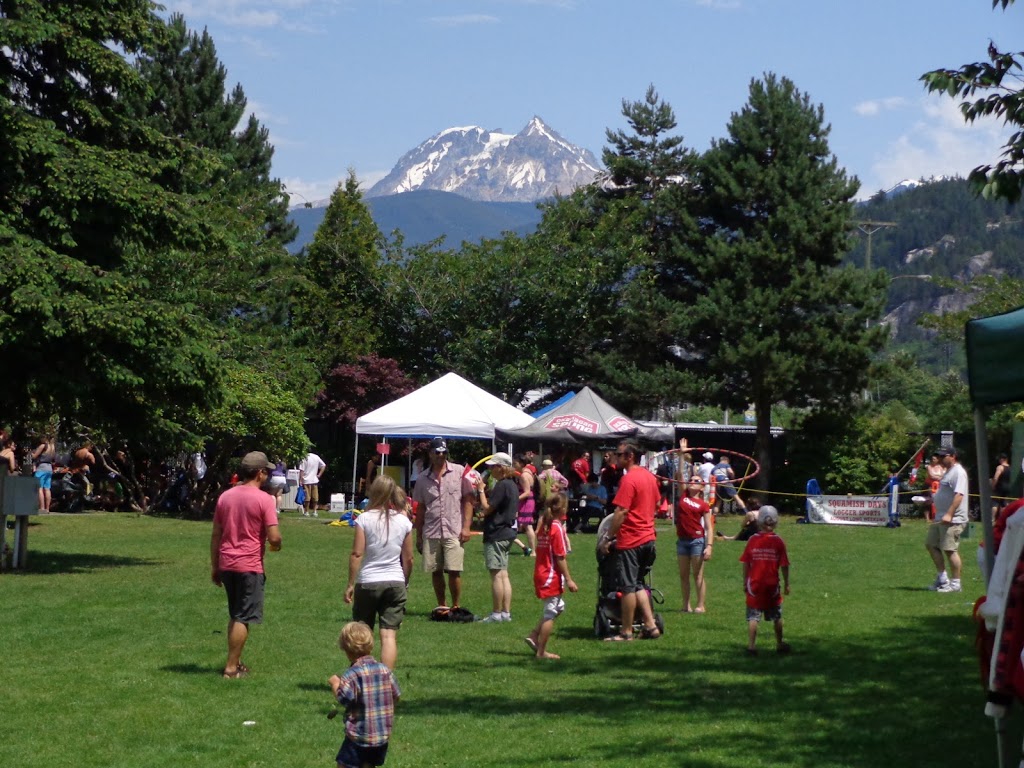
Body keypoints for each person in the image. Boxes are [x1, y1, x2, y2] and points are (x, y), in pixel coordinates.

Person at [210, 451, 282, 678]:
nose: (268, 475)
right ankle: (231, 668)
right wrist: (277, 544)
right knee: (243, 616)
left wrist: (215, 566)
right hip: (248, 565)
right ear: (260, 473)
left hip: (226, 562)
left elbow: (216, 534)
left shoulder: (226, 497)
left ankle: (236, 660)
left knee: (235, 614)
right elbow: (274, 537)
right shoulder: (263, 499)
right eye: (267, 471)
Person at [344, 475, 413, 670]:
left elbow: (357, 554)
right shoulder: (403, 521)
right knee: (389, 635)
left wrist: (350, 584)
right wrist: (405, 581)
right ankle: (386, 678)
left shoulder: (364, 519)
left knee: (362, 632)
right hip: (395, 581)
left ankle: (361, 675)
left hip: (368, 581)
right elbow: (408, 559)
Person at [601, 440, 661, 642]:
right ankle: (651, 626)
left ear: (630, 456)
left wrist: (608, 538)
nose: (615, 458)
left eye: (619, 454)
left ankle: (626, 632)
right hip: (648, 538)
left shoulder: (629, 479)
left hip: (632, 540)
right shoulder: (649, 477)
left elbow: (621, 511)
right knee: (638, 584)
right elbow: (658, 503)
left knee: (626, 587)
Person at [412, 437, 475, 610]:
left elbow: (468, 500)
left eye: (444, 452)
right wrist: (418, 535)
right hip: (431, 530)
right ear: (430, 454)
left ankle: (456, 606)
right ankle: (442, 605)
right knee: (436, 570)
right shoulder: (422, 478)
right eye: (437, 452)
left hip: (453, 529)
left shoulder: (459, 472)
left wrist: (466, 527)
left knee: (454, 570)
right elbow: (421, 508)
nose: (441, 455)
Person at [329, 621, 400, 768]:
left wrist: (336, 684)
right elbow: (396, 695)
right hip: (381, 737)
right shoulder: (385, 670)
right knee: (368, 765)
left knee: (344, 765)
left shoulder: (351, 675)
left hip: (359, 737)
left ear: (345, 649)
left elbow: (344, 699)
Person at [525, 494, 578, 659]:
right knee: (550, 612)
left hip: (541, 572)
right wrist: (569, 579)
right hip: (550, 575)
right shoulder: (556, 528)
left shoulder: (544, 525)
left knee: (558, 607)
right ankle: (541, 652)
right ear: (562, 509)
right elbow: (560, 556)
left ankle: (534, 635)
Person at [739, 505, 791, 656]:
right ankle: (780, 643)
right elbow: (784, 565)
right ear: (775, 522)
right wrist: (787, 583)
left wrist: (745, 582)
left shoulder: (752, 540)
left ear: (758, 522)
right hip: (772, 585)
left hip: (754, 584)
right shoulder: (778, 541)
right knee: (777, 616)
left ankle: (751, 646)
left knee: (753, 617)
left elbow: (746, 563)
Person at [475, 452, 519, 623]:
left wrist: (480, 491)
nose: (491, 470)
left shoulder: (502, 486)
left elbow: (487, 508)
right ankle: (505, 613)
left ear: (501, 468)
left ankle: (496, 613)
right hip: (508, 532)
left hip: (497, 533)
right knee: (503, 574)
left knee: (496, 575)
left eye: (493, 466)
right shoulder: (513, 485)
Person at [926, 445, 969, 593]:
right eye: (939, 456)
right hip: (940, 517)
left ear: (952, 456)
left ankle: (956, 584)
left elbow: (959, 495)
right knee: (931, 544)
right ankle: (942, 579)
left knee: (950, 549)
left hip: (953, 519)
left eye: (944, 456)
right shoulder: (948, 472)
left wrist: (949, 513)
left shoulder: (959, 472)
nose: (940, 459)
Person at [676, 477, 713, 614]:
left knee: (698, 575)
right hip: (682, 540)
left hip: (697, 541)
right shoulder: (684, 495)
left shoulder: (703, 505)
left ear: (702, 487)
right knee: (683, 575)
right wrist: (680, 456)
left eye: (697, 481)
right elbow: (679, 473)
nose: (692, 481)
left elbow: (709, 527)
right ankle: (686, 605)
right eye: (691, 479)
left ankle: (700, 605)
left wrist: (709, 546)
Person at [513, 454, 538, 555]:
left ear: (521, 464)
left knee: (528, 526)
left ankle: (533, 551)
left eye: (515, 463)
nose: (514, 465)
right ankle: (533, 550)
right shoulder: (528, 472)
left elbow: (527, 492)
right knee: (527, 525)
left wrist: (515, 499)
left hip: (526, 501)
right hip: (528, 501)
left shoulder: (523, 475)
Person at [32, 435, 56, 513]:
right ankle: (47, 508)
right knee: (47, 488)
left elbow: (34, 456)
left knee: (39, 488)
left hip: (41, 467)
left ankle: (42, 508)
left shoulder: (43, 446)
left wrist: (30, 453)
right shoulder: (52, 447)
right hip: (49, 468)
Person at [299, 449, 326, 517]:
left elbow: (302, 470)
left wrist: (300, 479)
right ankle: (314, 511)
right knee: (315, 497)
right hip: (314, 480)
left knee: (307, 497)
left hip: (306, 480)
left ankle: (306, 511)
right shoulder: (316, 457)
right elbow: (323, 465)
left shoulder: (304, 457)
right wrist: (319, 475)